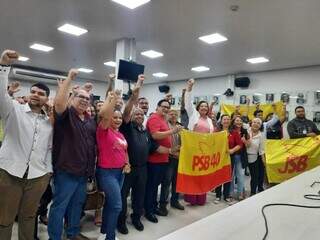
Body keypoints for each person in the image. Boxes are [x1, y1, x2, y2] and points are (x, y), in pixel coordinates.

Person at [0, 50, 52, 240]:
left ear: (47, 99)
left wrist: (48, 172)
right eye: (33, 92)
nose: (35, 95)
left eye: (41, 93)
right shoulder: (13, 109)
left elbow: (51, 149)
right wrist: (4, 67)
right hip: (10, 174)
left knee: (29, 217)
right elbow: (0, 97)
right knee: (4, 218)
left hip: (38, 177)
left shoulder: (50, 122)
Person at [117, 76, 176, 234]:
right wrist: (135, 92)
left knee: (139, 195)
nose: (139, 116)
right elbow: (128, 111)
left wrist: (171, 151)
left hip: (143, 169)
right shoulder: (127, 128)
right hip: (128, 169)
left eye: (141, 115)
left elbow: (155, 147)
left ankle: (136, 218)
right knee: (123, 196)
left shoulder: (145, 131)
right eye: (136, 115)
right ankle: (121, 221)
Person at [48, 69, 97, 240]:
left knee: (77, 205)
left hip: (83, 173)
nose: (84, 100)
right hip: (66, 171)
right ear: (72, 99)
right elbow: (59, 104)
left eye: (87, 98)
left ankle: (73, 233)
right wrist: (69, 79)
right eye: (80, 97)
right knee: (60, 206)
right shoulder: (66, 115)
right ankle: (54, 237)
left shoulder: (90, 121)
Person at [96, 90, 130, 240]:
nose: (117, 120)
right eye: (114, 117)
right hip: (107, 173)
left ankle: (104, 232)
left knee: (111, 204)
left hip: (120, 173)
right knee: (117, 205)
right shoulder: (103, 131)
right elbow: (104, 116)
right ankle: (110, 236)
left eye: (119, 118)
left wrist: (127, 163)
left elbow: (125, 151)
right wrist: (113, 99)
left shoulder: (121, 134)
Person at [144, 99, 182, 223]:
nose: (165, 109)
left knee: (155, 187)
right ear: (157, 107)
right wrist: (172, 131)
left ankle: (153, 207)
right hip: (155, 159)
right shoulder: (154, 118)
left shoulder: (163, 119)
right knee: (152, 187)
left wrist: (171, 149)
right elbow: (155, 135)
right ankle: (149, 211)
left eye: (167, 107)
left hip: (163, 158)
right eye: (163, 106)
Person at [184, 79, 215, 205]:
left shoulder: (210, 121)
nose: (204, 108)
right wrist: (189, 87)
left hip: (205, 151)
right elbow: (188, 103)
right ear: (198, 108)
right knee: (193, 175)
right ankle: (192, 198)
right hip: (193, 150)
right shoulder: (193, 115)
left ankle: (201, 198)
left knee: (203, 175)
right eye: (202, 106)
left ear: (208, 109)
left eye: (206, 107)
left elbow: (212, 136)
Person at [159, 109, 185, 211]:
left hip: (179, 158)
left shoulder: (181, 127)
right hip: (168, 157)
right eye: (171, 114)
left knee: (177, 182)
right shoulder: (164, 125)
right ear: (167, 115)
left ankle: (175, 201)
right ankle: (163, 205)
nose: (173, 116)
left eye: (175, 114)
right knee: (166, 182)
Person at [214, 114, 242, 204]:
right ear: (221, 121)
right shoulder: (216, 131)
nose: (226, 121)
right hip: (219, 157)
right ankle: (218, 196)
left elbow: (240, 144)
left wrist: (232, 150)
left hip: (230, 157)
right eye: (224, 119)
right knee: (218, 176)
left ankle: (226, 196)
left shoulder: (234, 132)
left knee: (228, 176)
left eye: (228, 119)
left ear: (230, 121)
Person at [245, 118, 265, 195]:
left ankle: (253, 192)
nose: (256, 124)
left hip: (254, 156)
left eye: (258, 123)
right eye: (254, 122)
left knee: (254, 176)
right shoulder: (246, 130)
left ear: (260, 126)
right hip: (243, 155)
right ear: (251, 123)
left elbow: (261, 150)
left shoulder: (261, 135)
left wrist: (263, 161)